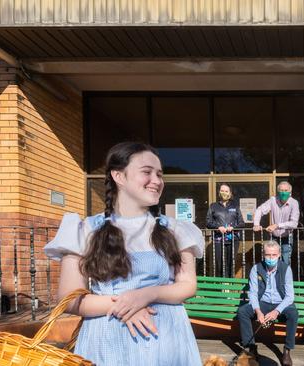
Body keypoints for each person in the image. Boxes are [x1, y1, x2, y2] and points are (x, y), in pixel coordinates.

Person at [44, 142, 204, 366]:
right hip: (108, 341)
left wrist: (148, 294)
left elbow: (187, 285)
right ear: (119, 176)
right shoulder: (86, 229)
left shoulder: (176, 230)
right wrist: (123, 306)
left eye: (159, 174)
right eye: (146, 172)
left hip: (166, 342)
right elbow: (68, 298)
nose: (157, 181)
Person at [236, 241, 298, 366]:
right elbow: (253, 293)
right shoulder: (256, 269)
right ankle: (251, 348)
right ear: (263, 255)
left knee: (293, 314)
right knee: (242, 312)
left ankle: (287, 350)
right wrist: (258, 311)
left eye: (274, 255)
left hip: (281, 303)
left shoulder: (286, 269)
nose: (271, 258)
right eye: (268, 255)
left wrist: (277, 311)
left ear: (279, 254)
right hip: (263, 302)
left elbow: (289, 296)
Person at [252, 182, 299, 265]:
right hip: (274, 237)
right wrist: (256, 224)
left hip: (287, 238)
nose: (283, 192)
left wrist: (277, 225)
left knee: (285, 262)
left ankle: (284, 278)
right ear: (278, 192)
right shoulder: (273, 200)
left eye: (286, 190)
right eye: (281, 190)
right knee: (271, 261)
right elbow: (260, 210)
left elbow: (294, 223)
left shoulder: (294, 203)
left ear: (290, 192)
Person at [206, 183, 245, 277]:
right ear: (219, 192)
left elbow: (242, 223)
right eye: (222, 191)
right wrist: (217, 227)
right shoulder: (213, 206)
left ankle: (229, 284)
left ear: (230, 193)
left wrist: (233, 228)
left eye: (226, 191)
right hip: (218, 240)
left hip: (233, 239)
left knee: (231, 263)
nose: (224, 193)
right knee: (219, 264)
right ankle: (221, 285)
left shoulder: (235, 206)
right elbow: (208, 223)